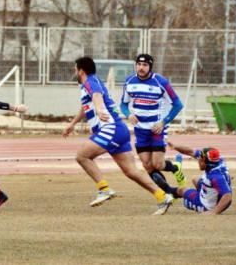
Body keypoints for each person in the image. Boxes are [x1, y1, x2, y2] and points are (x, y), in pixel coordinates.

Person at [62, 56, 173, 215]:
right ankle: (162, 196)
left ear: (81, 70)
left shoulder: (90, 81)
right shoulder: (87, 85)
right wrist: (72, 124)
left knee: (82, 156)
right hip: (119, 130)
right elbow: (86, 105)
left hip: (110, 128)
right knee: (131, 172)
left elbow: (97, 97)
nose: (74, 72)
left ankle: (104, 189)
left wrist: (100, 109)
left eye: (75, 69)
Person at [120, 53, 185, 197]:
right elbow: (123, 104)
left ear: (150, 67)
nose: (141, 68)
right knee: (147, 165)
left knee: (157, 164)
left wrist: (163, 122)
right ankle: (168, 193)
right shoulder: (129, 81)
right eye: (139, 64)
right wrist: (128, 114)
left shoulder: (161, 82)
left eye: (145, 65)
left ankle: (176, 167)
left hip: (157, 129)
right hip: (140, 130)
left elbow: (178, 105)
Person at [167, 141, 232, 214]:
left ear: (205, 161)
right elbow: (191, 151)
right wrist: (175, 147)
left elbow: (227, 196)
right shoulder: (218, 161)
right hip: (217, 197)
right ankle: (205, 195)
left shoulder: (215, 176)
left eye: (200, 160)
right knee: (195, 179)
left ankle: (166, 194)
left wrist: (213, 212)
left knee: (181, 190)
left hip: (206, 206)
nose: (198, 161)